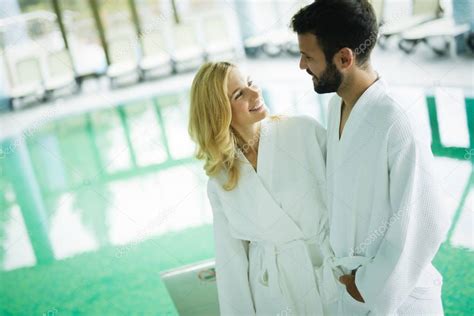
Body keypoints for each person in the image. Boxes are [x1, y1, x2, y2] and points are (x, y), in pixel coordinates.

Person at [291, 0, 451, 315]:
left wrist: (367, 285)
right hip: (351, 287)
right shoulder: (336, 105)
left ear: (344, 58)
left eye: (308, 56)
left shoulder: (397, 120)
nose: (301, 66)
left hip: (395, 296)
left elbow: (425, 218)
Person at [188, 62, 334, 315]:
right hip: (273, 294)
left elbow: (352, 200)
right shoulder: (221, 180)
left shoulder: (303, 131)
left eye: (251, 83)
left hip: (329, 276)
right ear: (219, 112)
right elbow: (231, 261)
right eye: (239, 94)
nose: (255, 94)